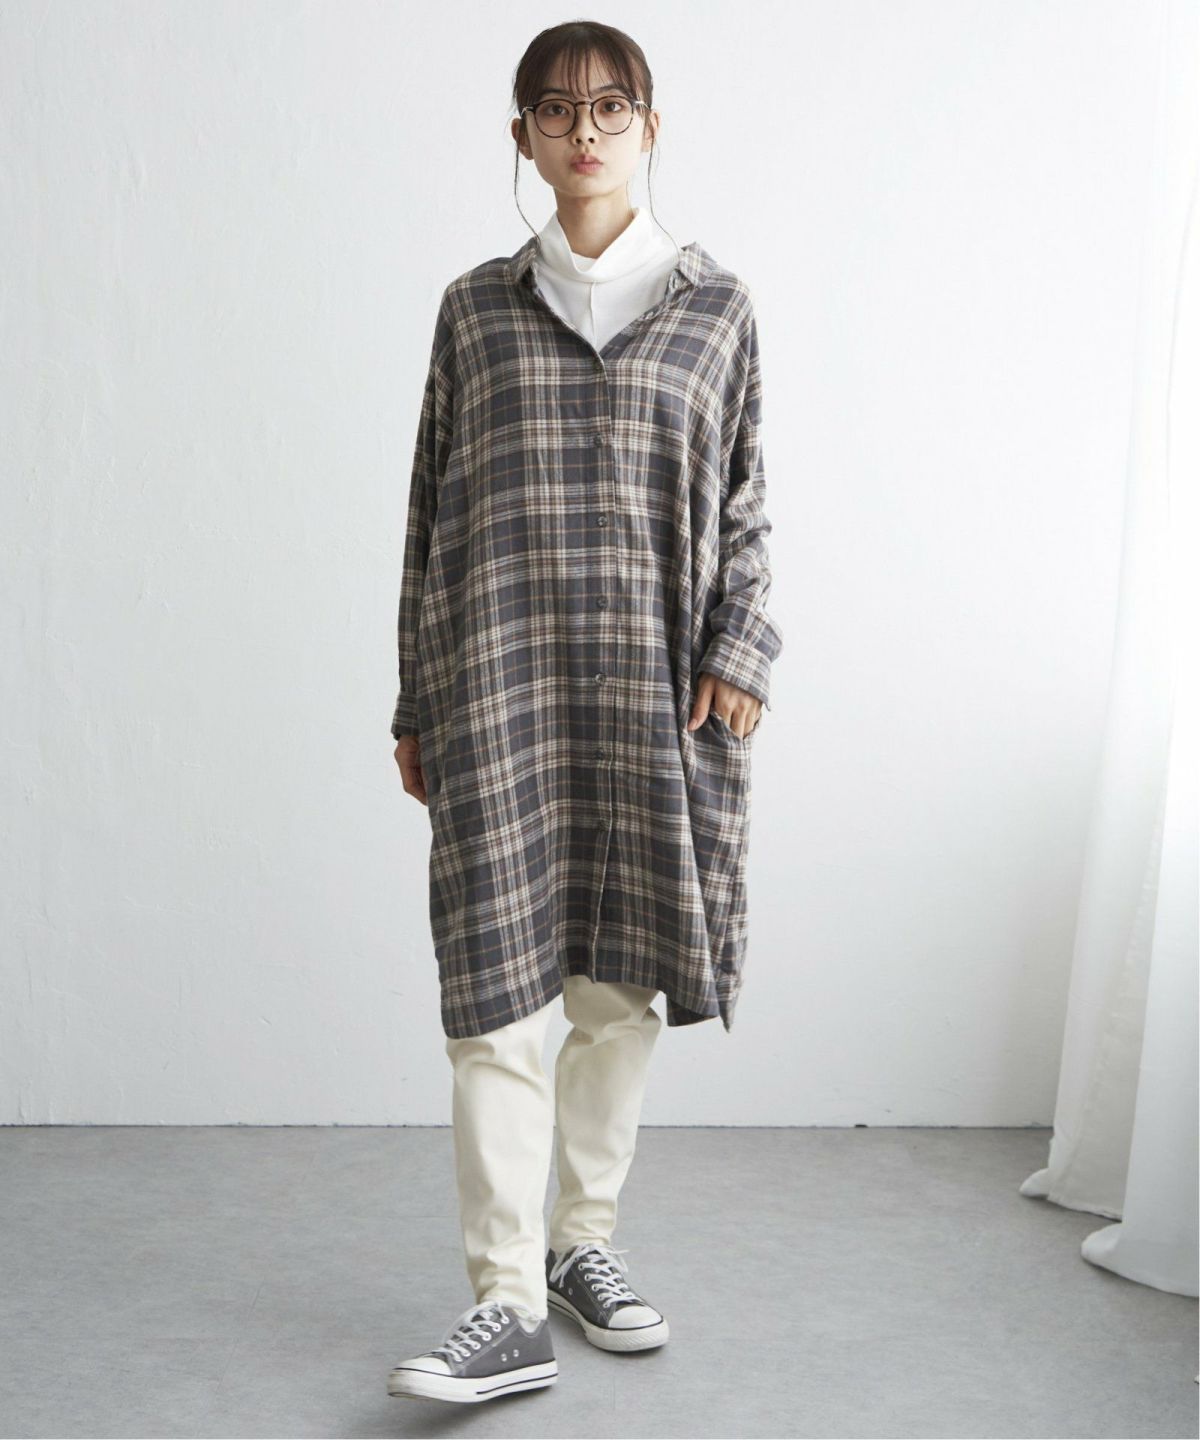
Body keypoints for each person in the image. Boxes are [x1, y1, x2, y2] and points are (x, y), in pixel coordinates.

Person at [386, 20, 784, 1406]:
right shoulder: (474, 312)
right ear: (523, 138)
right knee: (494, 999)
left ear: (650, 126)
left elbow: (747, 502)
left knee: (618, 991)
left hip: (652, 694)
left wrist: (743, 646)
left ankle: (580, 1247)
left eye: (611, 106)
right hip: (497, 686)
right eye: (555, 111)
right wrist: (415, 694)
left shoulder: (717, 311)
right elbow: (429, 515)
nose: (586, 131)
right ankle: (502, 1304)